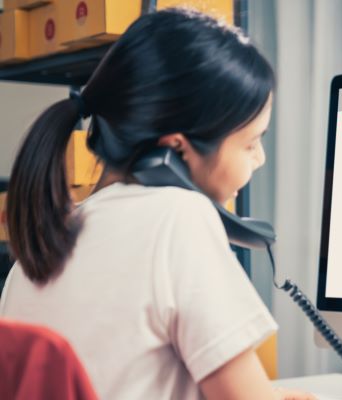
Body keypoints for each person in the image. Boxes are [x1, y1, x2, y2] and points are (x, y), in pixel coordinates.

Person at [0, 8, 314, 400]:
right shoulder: (179, 218)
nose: (260, 158)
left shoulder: (40, 247)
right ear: (176, 150)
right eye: (250, 142)